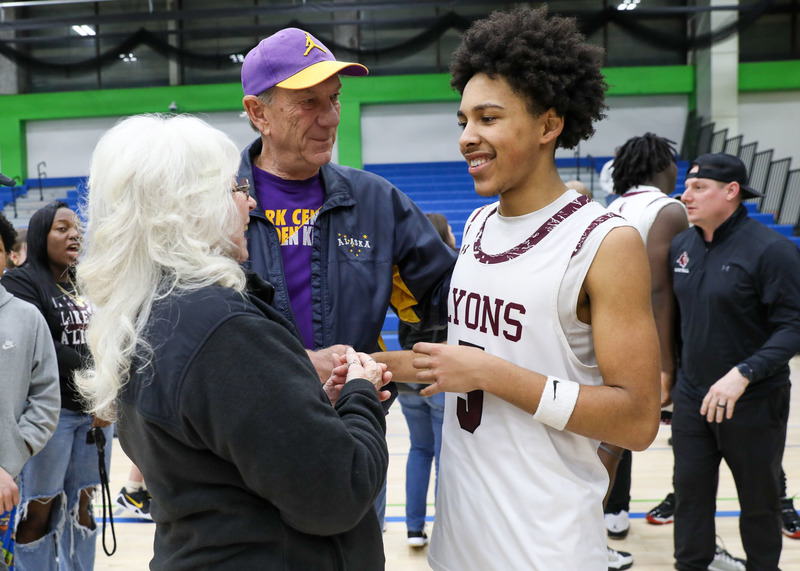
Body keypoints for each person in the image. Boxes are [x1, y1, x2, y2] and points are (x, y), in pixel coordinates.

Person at [74, 114, 391, 570]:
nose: (248, 202)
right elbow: (337, 493)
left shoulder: (146, 312)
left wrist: (305, 404)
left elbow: (216, 444)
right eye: (235, 190)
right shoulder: (222, 329)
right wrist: (361, 395)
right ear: (191, 207)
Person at [407, 7, 661, 570]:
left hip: (546, 548)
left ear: (549, 126)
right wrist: (358, 364)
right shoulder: (474, 227)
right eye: (463, 120)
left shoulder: (604, 242)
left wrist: (491, 375)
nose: (467, 137)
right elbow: (462, 362)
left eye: (489, 118)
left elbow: (638, 419)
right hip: (460, 538)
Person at [238, 26, 457, 526]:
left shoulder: (378, 202)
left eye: (334, 99)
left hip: (351, 441)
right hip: (246, 449)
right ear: (258, 114)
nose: (331, 118)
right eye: (309, 102)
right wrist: (296, 367)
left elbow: (447, 296)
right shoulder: (213, 207)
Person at [668, 153, 800, 570]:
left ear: (731, 192)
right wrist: (670, 375)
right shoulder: (681, 246)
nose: (685, 195)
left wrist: (744, 373)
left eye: (698, 187)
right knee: (689, 497)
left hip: (754, 400)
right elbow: (678, 320)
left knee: (759, 503)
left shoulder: (771, 250)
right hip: (692, 397)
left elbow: (794, 327)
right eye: (687, 186)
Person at [1, 201, 113, 571]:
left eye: (76, 227)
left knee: (83, 504)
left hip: (95, 414)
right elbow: (49, 347)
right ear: (39, 236)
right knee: (41, 508)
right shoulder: (22, 281)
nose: (74, 234)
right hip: (53, 414)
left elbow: (111, 334)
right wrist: (100, 379)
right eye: (61, 228)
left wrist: (107, 390)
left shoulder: (86, 281)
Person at [602, 133, 687, 543]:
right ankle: (683, 505)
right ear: (659, 164)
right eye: (672, 161)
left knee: (616, 427)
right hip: (648, 338)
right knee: (684, 430)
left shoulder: (612, 206)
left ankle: (613, 512)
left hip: (609, 334)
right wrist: (667, 364)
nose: (677, 169)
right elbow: (660, 290)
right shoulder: (667, 209)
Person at [0, 212, 60, 571]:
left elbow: (45, 397)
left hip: (7, 481)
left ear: (9, 256)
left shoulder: (27, 318)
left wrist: (13, 454)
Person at [396, 213, 454, 548]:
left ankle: (414, 529)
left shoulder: (405, 272)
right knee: (444, 456)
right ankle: (447, 531)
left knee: (419, 450)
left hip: (407, 373)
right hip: (439, 372)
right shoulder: (455, 268)